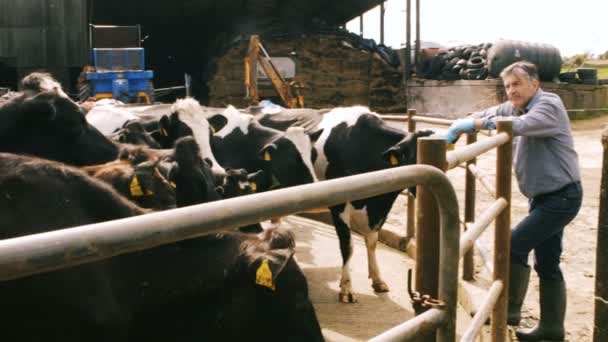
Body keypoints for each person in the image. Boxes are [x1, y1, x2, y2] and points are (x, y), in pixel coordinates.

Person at [446, 61, 582, 341]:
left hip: (562, 197)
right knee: (547, 262)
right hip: (544, 198)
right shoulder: (517, 106)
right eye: (507, 86)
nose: (511, 91)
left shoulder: (548, 105)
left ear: (535, 83)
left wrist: (476, 123)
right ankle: (552, 329)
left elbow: (520, 125)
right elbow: (493, 112)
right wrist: (463, 124)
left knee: (512, 244)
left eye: (517, 83)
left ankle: (508, 310)